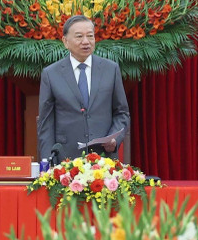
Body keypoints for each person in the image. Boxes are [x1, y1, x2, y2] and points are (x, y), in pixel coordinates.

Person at [37, 14, 130, 161]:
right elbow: (45, 123)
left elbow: (121, 112)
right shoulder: (51, 74)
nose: (86, 42)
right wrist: (47, 162)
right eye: (79, 36)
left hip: (103, 159)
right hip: (65, 160)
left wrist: (114, 140)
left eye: (90, 36)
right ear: (65, 41)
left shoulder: (110, 69)